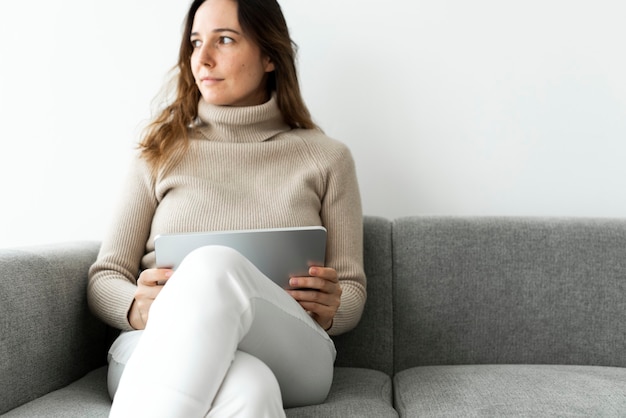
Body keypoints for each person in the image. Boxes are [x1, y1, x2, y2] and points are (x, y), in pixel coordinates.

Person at [87, 0, 366, 416]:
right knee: (250, 388)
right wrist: (134, 305)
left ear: (270, 55)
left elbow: (352, 289)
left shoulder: (327, 158)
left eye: (225, 40)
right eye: (196, 42)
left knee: (214, 265)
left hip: (292, 350)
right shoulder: (158, 154)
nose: (203, 58)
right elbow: (105, 275)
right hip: (158, 341)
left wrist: (333, 307)